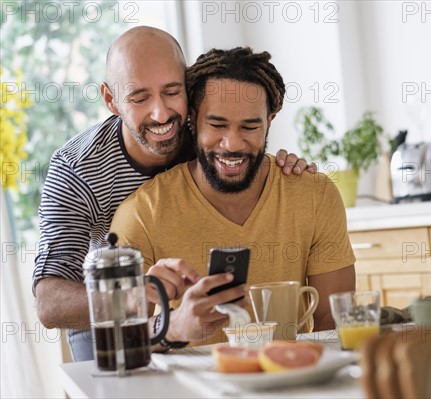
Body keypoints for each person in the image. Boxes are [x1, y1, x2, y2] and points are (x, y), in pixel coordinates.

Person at [33, 27, 314, 361]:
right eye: (139, 97)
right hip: (105, 311)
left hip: (182, 308)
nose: (161, 113)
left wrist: (283, 169)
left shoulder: (205, 135)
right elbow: (49, 303)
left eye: (171, 91)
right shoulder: (77, 170)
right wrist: (138, 297)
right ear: (111, 99)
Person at [110, 47, 356, 348]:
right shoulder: (142, 213)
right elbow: (119, 341)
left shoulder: (314, 196)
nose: (232, 143)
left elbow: (333, 325)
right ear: (192, 119)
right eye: (217, 125)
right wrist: (173, 327)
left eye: (250, 126)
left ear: (270, 119)